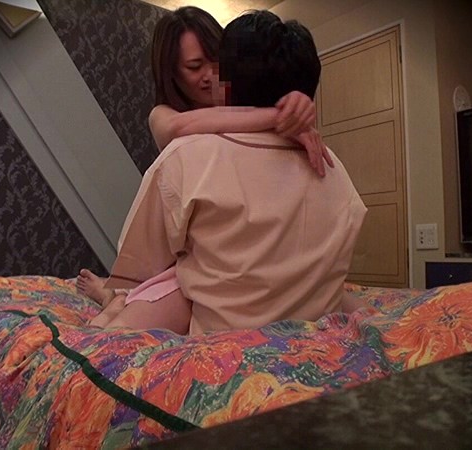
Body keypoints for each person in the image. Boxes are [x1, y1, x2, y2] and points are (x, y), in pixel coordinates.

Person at [82, 9, 367, 335]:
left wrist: (285, 111)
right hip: (189, 249)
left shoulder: (230, 130)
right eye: (195, 66)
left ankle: (114, 298)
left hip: (230, 251)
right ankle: (111, 298)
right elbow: (178, 127)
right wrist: (280, 115)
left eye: (216, 62)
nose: (209, 75)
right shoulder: (173, 125)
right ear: (172, 74)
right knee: (149, 291)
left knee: (333, 293)